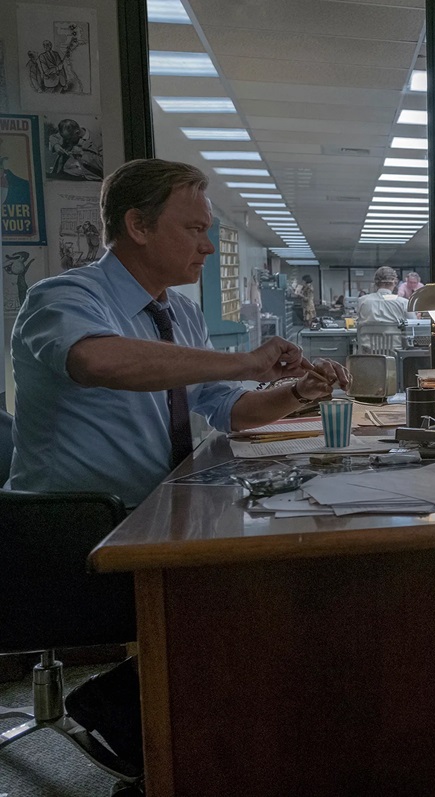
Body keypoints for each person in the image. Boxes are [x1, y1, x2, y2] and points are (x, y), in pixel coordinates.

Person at [6, 158, 349, 768]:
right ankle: (129, 715)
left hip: (156, 515)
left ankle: (170, 724)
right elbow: (99, 364)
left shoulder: (181, 314)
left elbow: (228, 410)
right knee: (256, 589)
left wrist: (299, 393)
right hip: (71, 536)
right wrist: (245, 362)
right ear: (137, 226)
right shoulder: (62, 297)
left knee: (297, 567)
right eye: (194, 230)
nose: (209, 247)